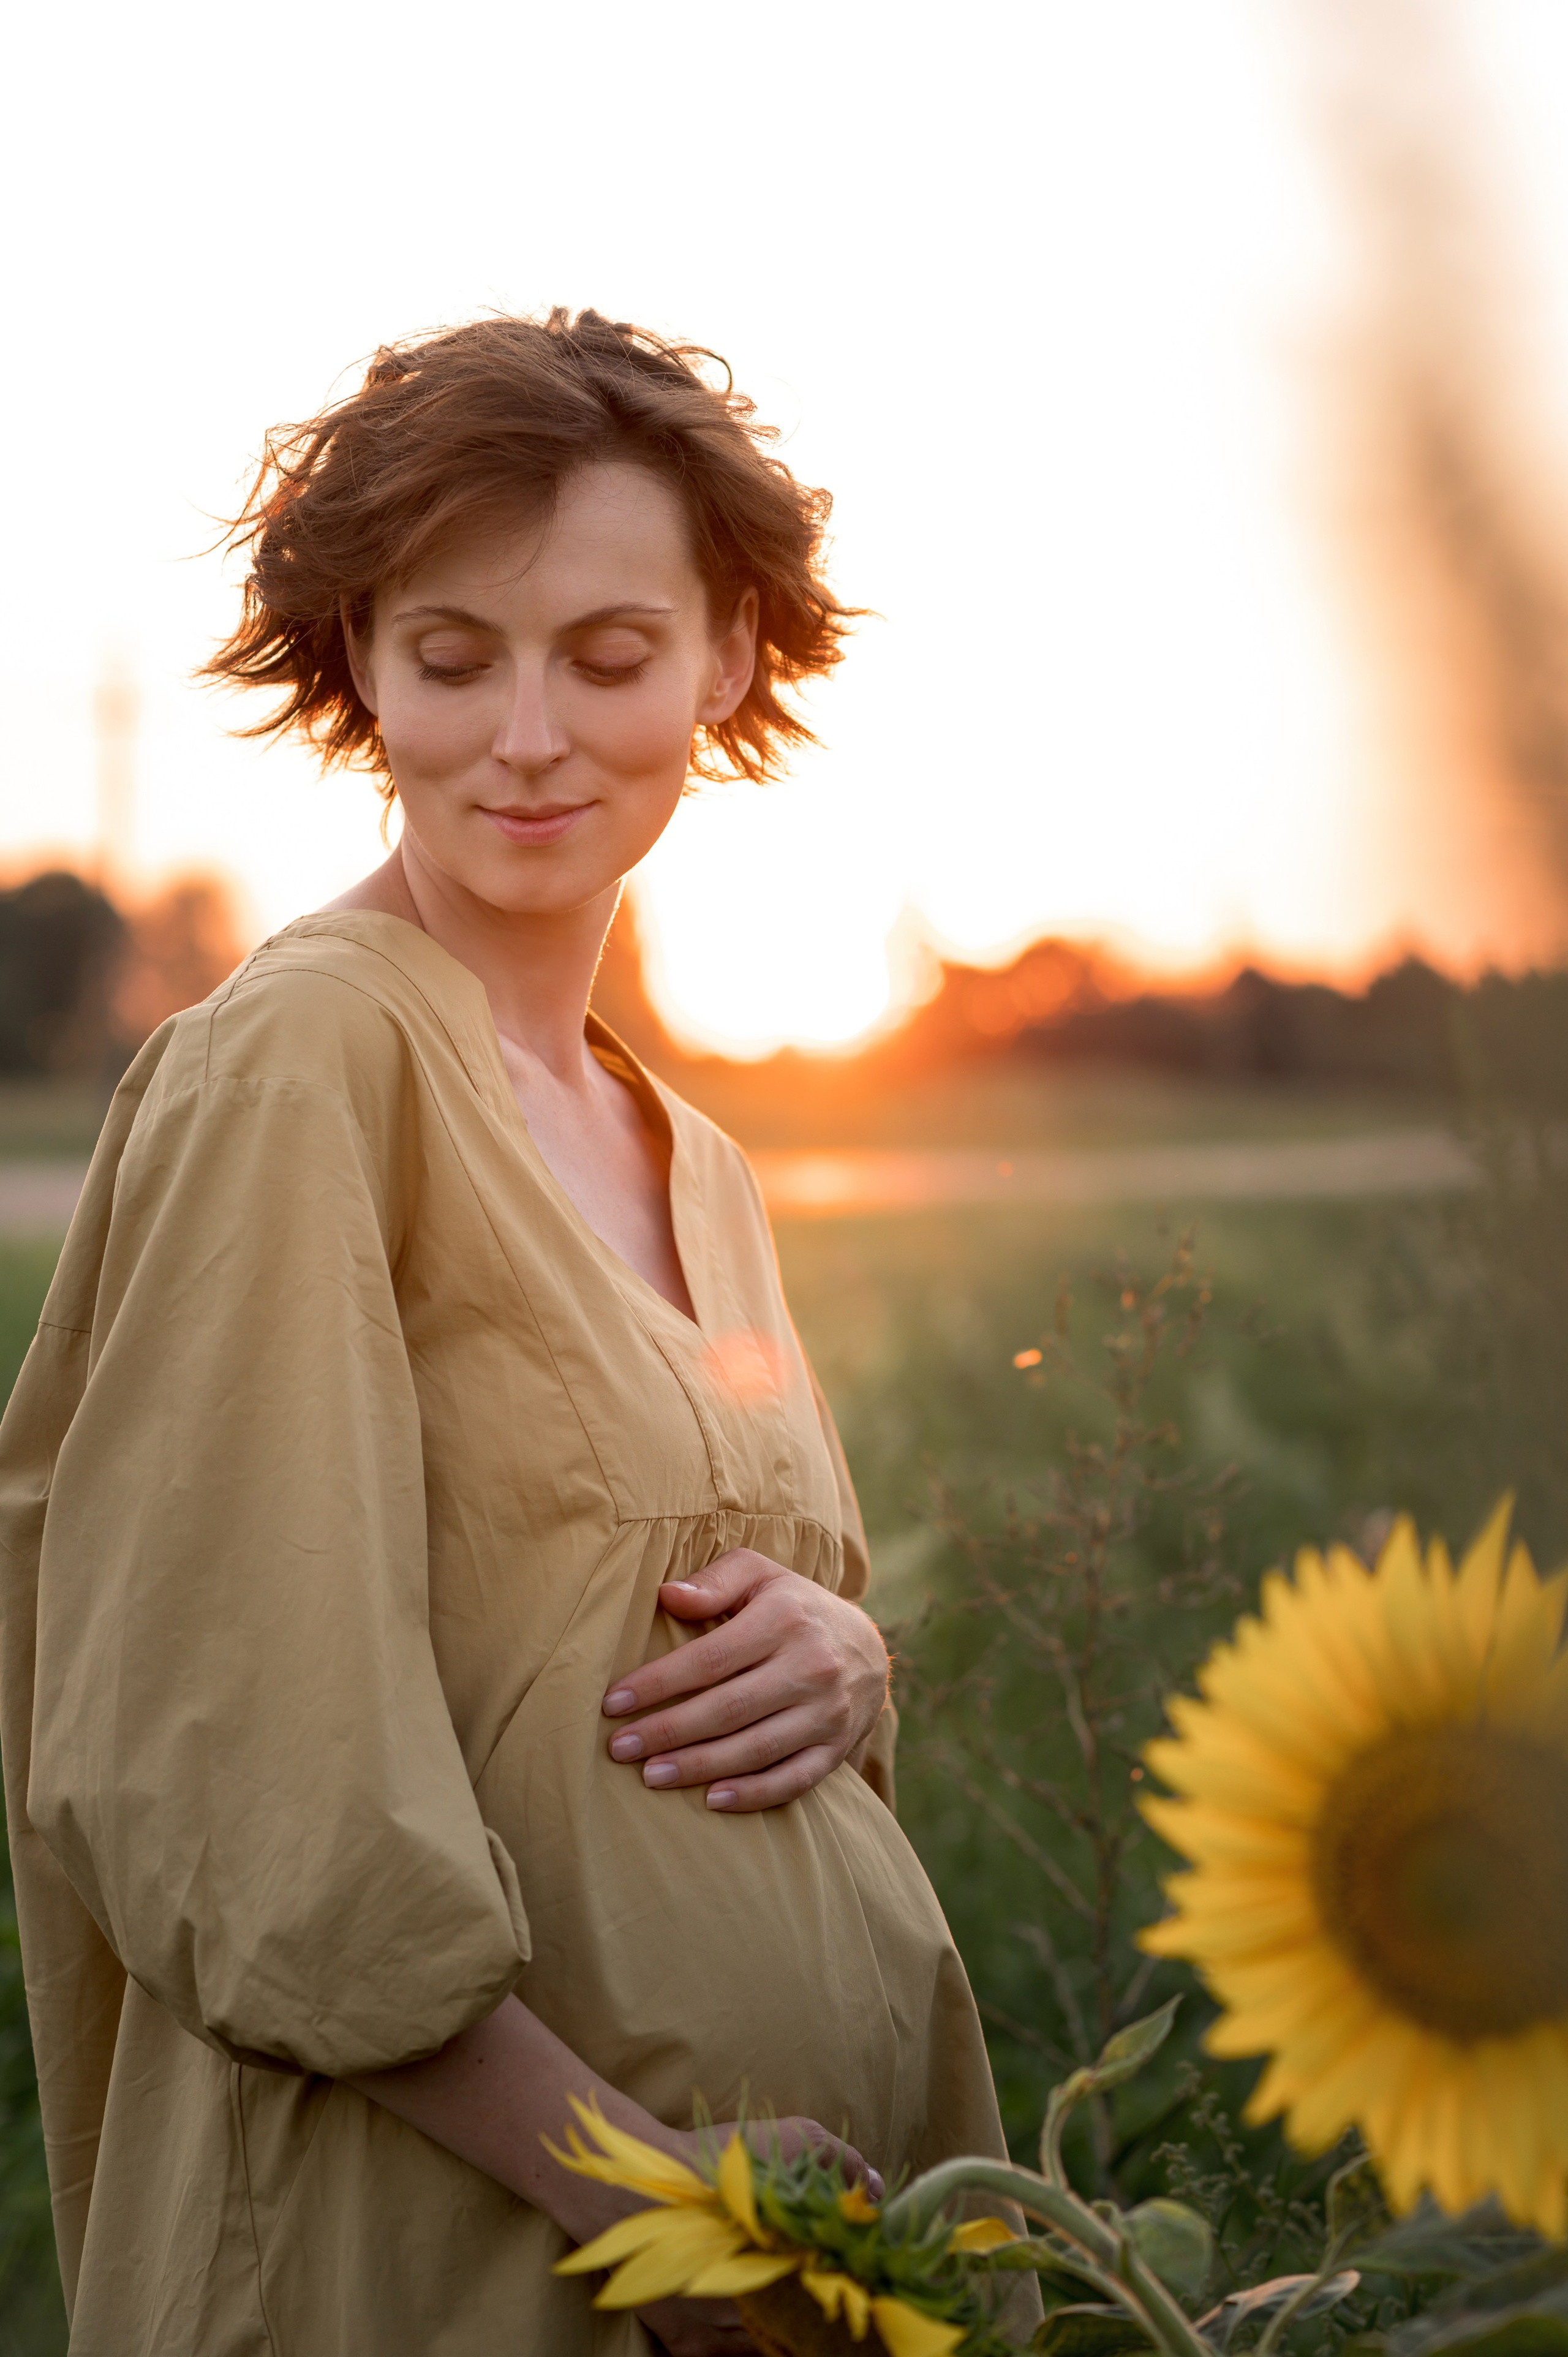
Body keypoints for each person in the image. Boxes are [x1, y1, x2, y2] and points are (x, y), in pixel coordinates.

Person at [0, 311, 1011, 2356]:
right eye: (453, 659)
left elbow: (621, 1636)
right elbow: (227, 1780)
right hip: (439, 2261)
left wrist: (848, 1654)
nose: (528, 734)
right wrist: (667, 2222)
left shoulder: (694, 1152)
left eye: (609, 656)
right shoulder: (301, 1062)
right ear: (363, 665)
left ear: (727, 654)